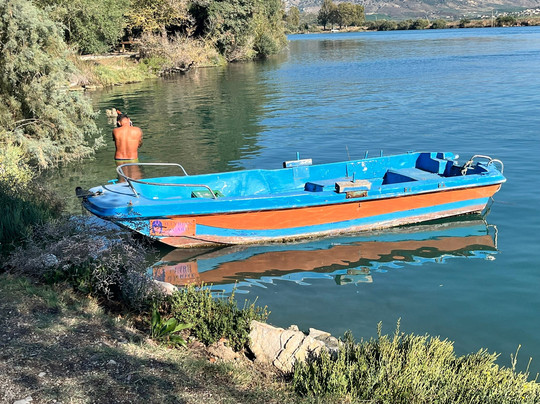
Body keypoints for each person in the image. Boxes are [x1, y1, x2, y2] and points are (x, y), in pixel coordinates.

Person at [112, 114, 143, 180]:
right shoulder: (138, 130)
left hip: (119, 159)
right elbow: (139, 145)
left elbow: (116, 143)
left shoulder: (115, 131)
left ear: (119, 122)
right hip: (132, 159)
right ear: (129, 120)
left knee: (122, 179)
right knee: (135, 179)